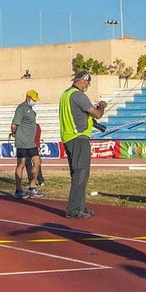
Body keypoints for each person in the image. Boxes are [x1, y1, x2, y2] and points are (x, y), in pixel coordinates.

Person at [59, 71, 107, 219]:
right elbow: (97, 114)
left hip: (69, 137)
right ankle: (74, 209)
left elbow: (79, 115)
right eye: (87, 82)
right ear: (83, 80)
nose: (87, 85)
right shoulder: (78, 95)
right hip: (78, 138)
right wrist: (102, 106)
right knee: (81, 173)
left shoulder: (65, 95)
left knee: (78, 174)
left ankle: (79, 206)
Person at [10, 90, 42, 199]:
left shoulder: (31, 110)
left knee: (37, 162)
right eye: (33, 99)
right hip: (22, 142)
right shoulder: (21, 108)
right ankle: (18, 190)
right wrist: (14, 133)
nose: (34, 102)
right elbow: (14, 125)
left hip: (31, 143)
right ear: (28, 98)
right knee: (21, 164)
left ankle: (32, 187)